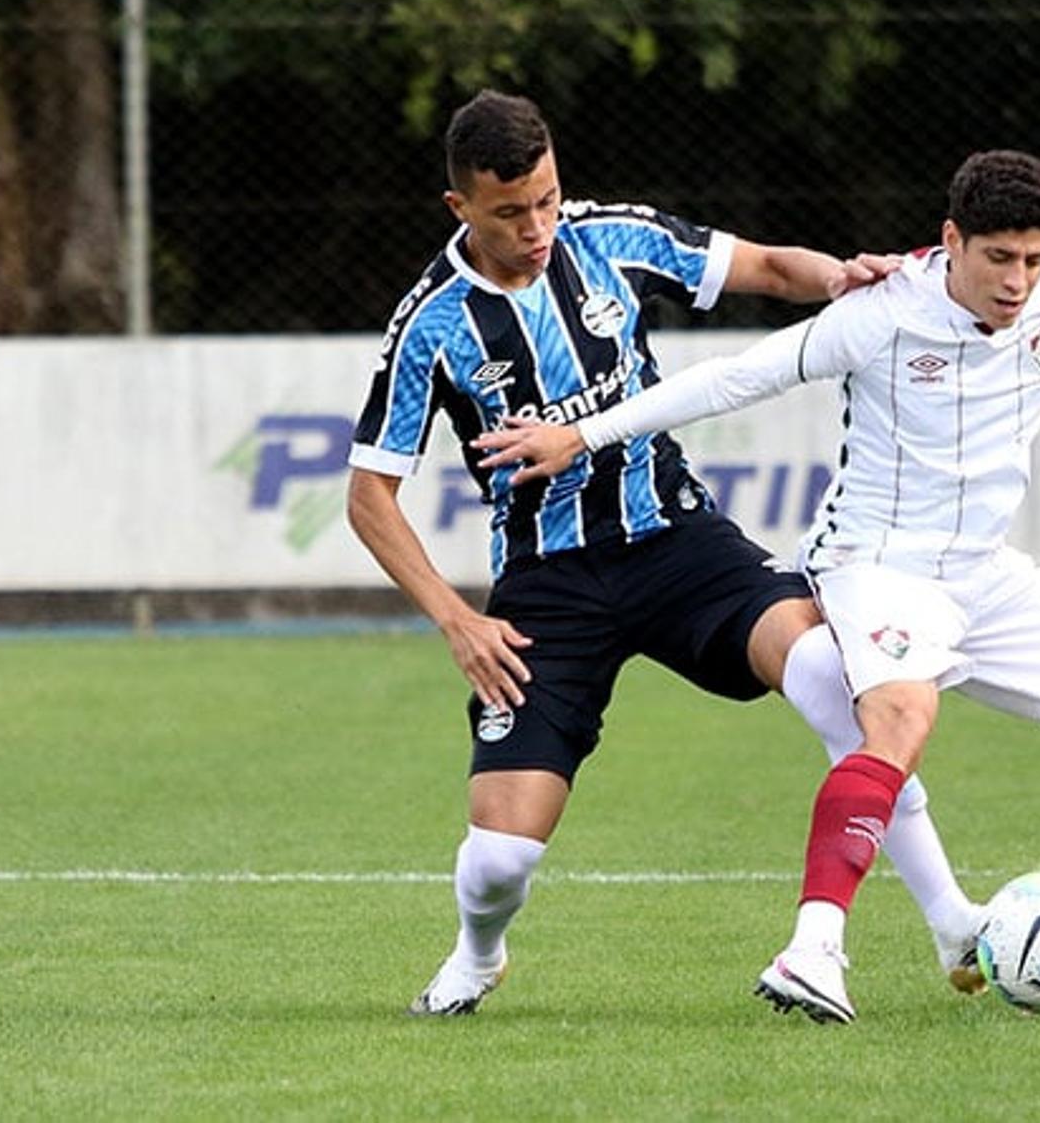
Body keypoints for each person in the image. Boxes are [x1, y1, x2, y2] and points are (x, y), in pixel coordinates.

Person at [475, 148, 1040, 1024]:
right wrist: (585, 435)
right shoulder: (881, 317)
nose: (1017, 280)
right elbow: (733, 379)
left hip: (986, 574)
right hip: (874, 564)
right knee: (902, 720)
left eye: (1032, 258)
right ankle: (813, 950)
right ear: (951, 240)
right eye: (998, 258)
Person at [346, 90, 985, 1017]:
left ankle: (952, 921)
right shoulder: (432, 324)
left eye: (548, 199)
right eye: (510, 212)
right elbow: (370, 495)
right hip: (548, 585)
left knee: (824, 672)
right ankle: (479, 954)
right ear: (461, 210)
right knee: (499, 861)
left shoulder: (613, 239)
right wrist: (458, 619)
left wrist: (843, 277)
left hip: (680, 543)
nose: (537, 228)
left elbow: (762, 265)